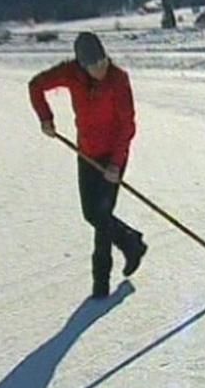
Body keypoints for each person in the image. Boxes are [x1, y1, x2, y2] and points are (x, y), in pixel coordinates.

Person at [28, 32, 147, 298]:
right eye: (94, 66)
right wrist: (45, 118)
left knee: (102, 217)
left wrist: (116, 164)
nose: (100, 69)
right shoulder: (70, 73)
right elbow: (35, 86)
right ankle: (131, 242)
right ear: (82, 65)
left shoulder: (118, 79)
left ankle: (100, 282)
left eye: (103, 61)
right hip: (86, 154)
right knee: (91, 214)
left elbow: (127, 126)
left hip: (113, 156)